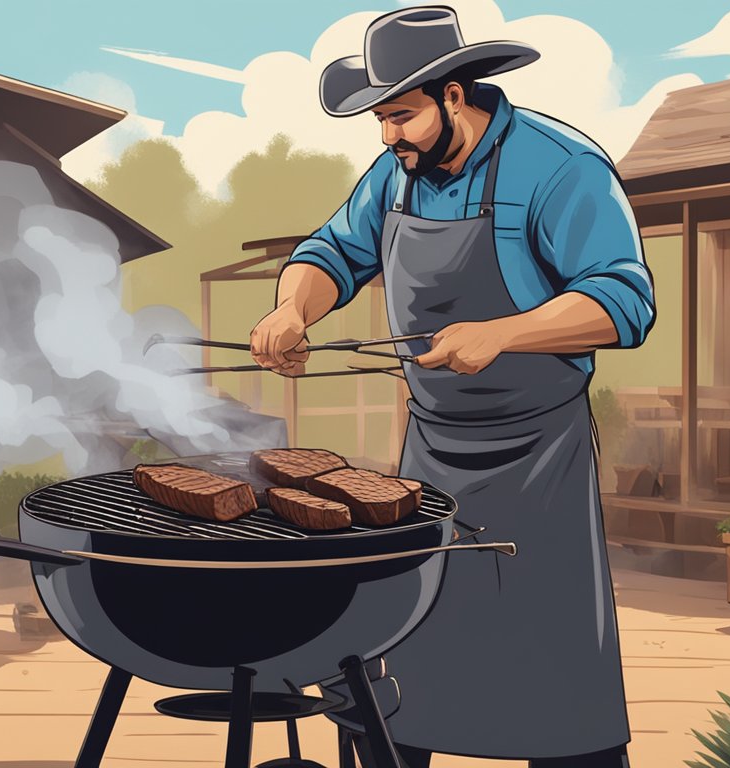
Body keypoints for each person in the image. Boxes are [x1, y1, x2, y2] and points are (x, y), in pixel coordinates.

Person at [249, 6, 654, 768]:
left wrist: (504, 332)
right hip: (431, 461)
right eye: (379, 119)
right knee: (400, 668)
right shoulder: (396, 173)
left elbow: (623, 302)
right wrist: (291, 308)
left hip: (539, 469)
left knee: (557, 681)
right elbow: (333, 252)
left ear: (456, 94)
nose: (386, 136)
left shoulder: (562, 167)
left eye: (400, 116)